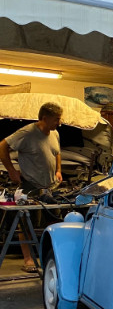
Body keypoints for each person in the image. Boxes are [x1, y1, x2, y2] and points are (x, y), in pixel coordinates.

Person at [0, 102, 63, 272]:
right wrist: (11, 171)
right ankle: (28, 259)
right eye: (56, 119)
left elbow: (57, 152)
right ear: (44, 118)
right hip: (30, 185)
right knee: (26, 223)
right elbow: (2, 146)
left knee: (55, 220)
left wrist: (58, 170)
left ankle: (53, 254)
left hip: (50, 186)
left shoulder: (54, 133)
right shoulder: (27, 133)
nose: (59, 122)